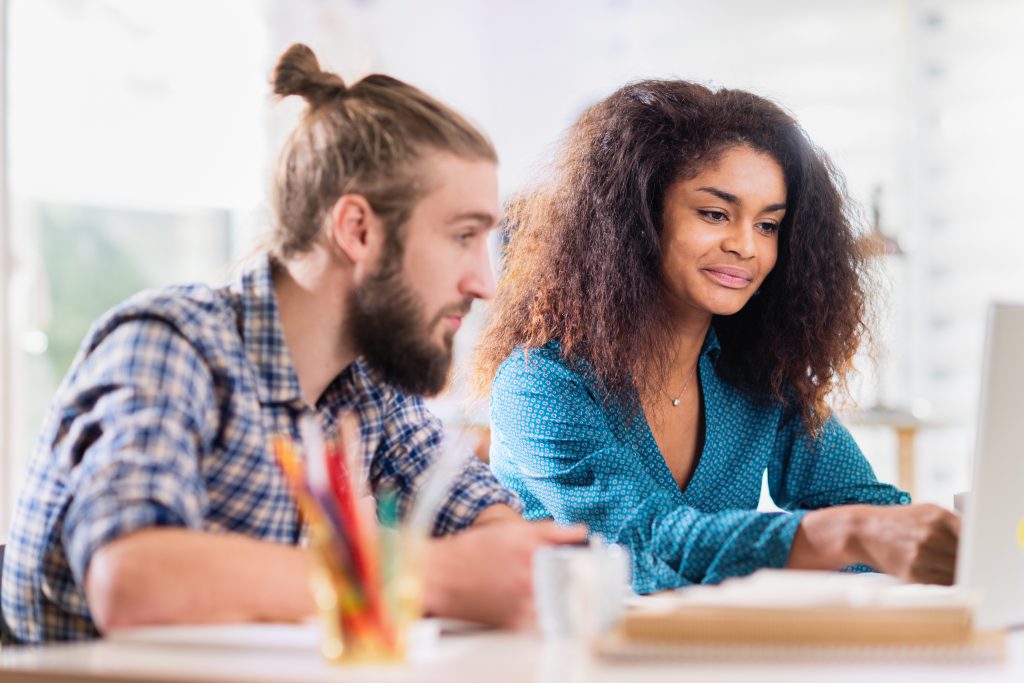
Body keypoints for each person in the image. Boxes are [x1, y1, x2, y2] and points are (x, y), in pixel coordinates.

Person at [0, 44, 585, 645]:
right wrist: (425, 574)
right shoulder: (169, 344)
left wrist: (497, 560)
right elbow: (131, 582)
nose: (484, 284)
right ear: (356, 230)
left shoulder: (364, 384)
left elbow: (489, 526)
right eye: (463, 236)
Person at [475, 80, 959, 595]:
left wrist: (958, 544)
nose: (746, 246)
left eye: (769, 225)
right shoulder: (541, 384)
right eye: (715, 214)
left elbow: (859, 507)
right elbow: (640, 546)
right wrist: (853, 535)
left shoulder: (761, 375)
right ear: (636, 220)